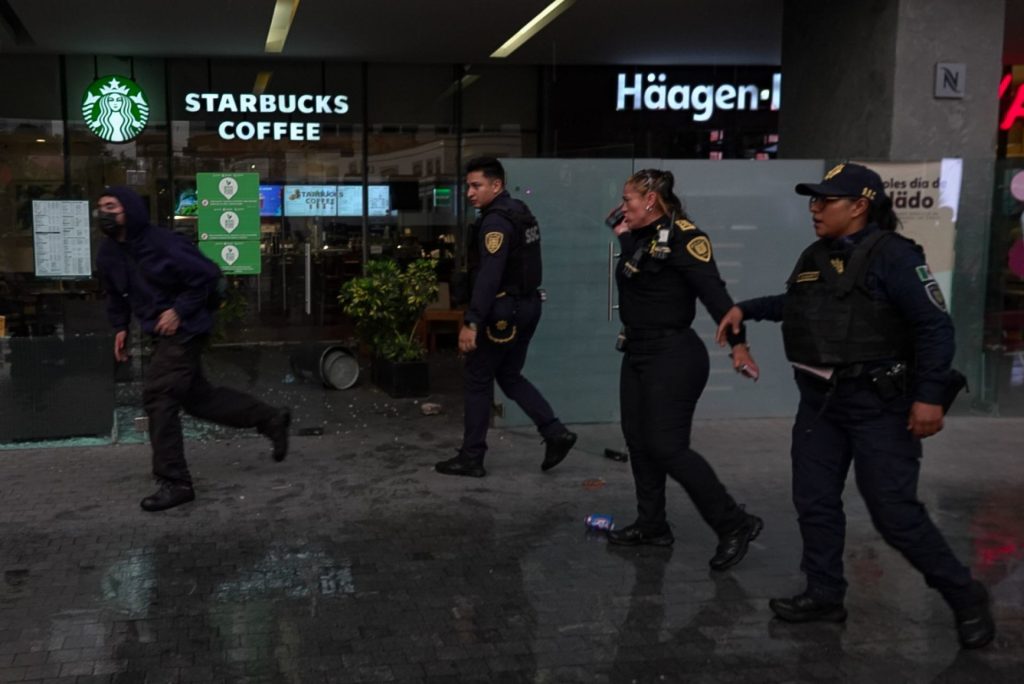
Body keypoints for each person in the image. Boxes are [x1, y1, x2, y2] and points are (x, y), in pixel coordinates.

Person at [715, 162, 995, 649]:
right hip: (821, 404)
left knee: (894, 513)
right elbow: (798, 305)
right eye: (813, 200)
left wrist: (929, 396)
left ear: (860, 206)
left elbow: (934, 326)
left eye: (825, 201)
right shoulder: (815, 256)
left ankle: (965, 596)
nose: (814, 209)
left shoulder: (896, 257)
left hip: (878, 406)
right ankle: (824, 593)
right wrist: (747, 309)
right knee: (814, 501)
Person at [96, 186, 291, 512]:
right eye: (101, 207)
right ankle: (270, 419)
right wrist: (119, 328)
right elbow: (115, 294)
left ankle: (176, 482)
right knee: (199, 400)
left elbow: (207, 275)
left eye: (111, 206)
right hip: (162, 333)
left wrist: (179, 311)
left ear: (128, 209)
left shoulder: (162, 243)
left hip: (186, 329)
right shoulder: (108, 254)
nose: (104, 213)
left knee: (159, 396)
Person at [605, 168, 763, 572]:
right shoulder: (639, 236)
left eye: (628, 200)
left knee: (667, 446)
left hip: (673, 355)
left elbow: (715, 294)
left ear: (651, 200)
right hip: (637, 352)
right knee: (638, 441)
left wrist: (739, 344)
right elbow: (641, 278)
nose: (622, 207)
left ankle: (734, 523)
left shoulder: (687, 239)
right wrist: (624, 235)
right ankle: (652, 524)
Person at [434, 157, 576, 478]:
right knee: (509, 375)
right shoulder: (519, 211)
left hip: (502, 311)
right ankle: (554, 431)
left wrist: (472, 321)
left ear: (496, 185)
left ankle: (472, 457)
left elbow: (490, 275)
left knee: (477, 378)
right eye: (468, 186)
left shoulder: (496, 222)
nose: (470, 193)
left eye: (476, 186)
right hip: (527, 305)